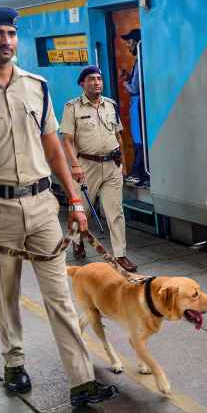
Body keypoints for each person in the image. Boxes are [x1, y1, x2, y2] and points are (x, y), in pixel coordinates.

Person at [0, 6, 120, 407]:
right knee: (7, 291)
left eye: (10, 33)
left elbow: (53, 146)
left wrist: (73, 197)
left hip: (41, 205)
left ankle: (81, 380)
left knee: (60, 294)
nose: (5, 40)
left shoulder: (36, 86)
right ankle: (14, 362)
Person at [60, 65, 137, 272]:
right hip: (86, 166)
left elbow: (118, 135)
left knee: (115, 211)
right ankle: (77, 240)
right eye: (91, 79)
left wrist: (123, 163)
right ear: (82, 84)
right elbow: (66, 139)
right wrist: (75, 166)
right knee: (80, 210)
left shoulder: (110, 105)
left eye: (99, 79)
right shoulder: (73, 107)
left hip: (112, 165)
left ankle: (120, 255)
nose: (96, 82)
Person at [119, 28, 148, 188]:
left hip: (138, 105)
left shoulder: (140, 60)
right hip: (138, 105)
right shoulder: (141, 60)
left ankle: (139, 174)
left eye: (129, 43)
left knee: (138, 139)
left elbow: (135, 89)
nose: (128, 47)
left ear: (137, 43)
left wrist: (125, 83)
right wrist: (129, 78)